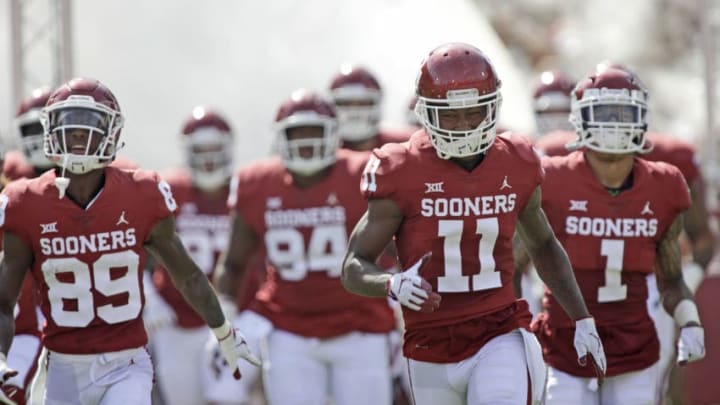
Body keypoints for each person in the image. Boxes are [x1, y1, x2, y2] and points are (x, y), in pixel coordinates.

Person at [341, 42, 606, 405]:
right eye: (450, 115)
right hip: (428, 343)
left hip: (498, 331)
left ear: (493, 108)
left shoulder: (516, 161)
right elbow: (354, 265)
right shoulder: (400, 169)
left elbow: (542, 244)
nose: (464, 125)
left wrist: (582, 318)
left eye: (474, 112)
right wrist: (391, 283)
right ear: (426, 113)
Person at [0, 78, 259, 405]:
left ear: (112, 132)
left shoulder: (141, 192)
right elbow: (4, 300)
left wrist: (224, 331)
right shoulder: (25, 201)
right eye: (70, 123)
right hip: (63, 362)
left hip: (126, 361)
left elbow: (188, 275)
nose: (79, 133)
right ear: (51, 128)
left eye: (89, 123)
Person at [533, 62, 716, 401]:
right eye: (604, 113)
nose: (613, 125)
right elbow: (514, 257)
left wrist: (688, 317)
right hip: (565, 341)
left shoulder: (665, 183)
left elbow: (674, 274)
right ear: (582, 117)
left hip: (636, 336)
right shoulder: (551, 176)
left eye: (622, 114)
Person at [213, 89, 396, 405]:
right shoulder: (256, 182)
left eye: (315, 132)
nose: (306, 142)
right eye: (297, 133)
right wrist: (223, 322)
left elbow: (401, 244)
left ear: (334, 134)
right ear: (280, 138)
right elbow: (233, 264)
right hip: (288, 329)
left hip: (360, 326)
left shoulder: (364, 173)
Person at [139, 106, 240, 405]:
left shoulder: (244, 189)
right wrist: (151, 299)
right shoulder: (169, 188)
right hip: (175, 320)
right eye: (200, 150)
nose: (208, 158)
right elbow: (133, 251)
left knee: (228, 398)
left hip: (232, 318)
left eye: (214, 149)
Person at [329, 64, 413, 151]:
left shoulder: (404, 143)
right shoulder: (324, 152)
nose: (354, 112)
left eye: (362, 103)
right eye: (346, 103)